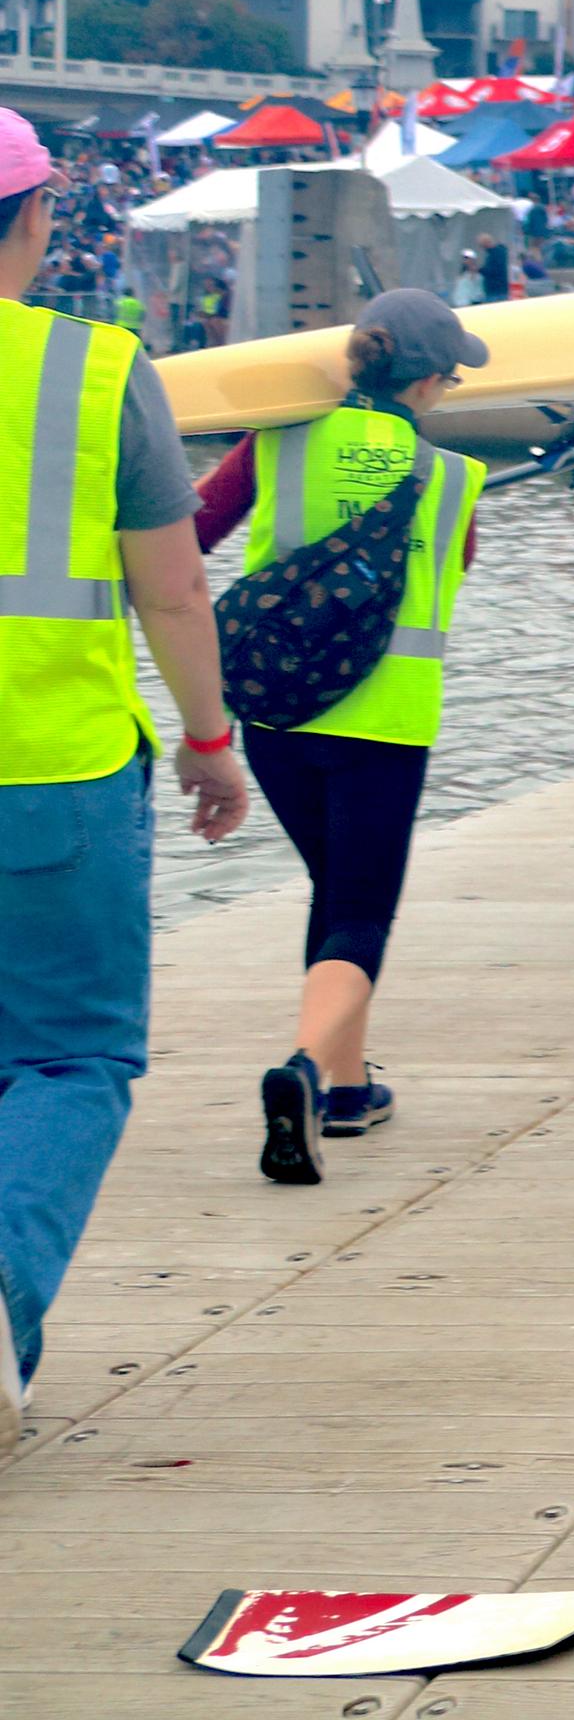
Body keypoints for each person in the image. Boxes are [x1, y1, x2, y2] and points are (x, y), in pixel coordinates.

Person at [0, 107, 251, 1445]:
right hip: (54, 775)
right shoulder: (94, 373)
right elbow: (174, 589)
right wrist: (210, 744)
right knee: (69, 1056)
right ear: (38, 221)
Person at [188, 289, 488, 1183]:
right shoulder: (453, 479)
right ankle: (307, 1072)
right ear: (427, 384)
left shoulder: (275, 443)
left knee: (334, 888)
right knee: (361, 911)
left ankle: (350, 1089)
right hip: (385, 726)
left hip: (276, 715)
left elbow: (191, 530)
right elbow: (457, 567)